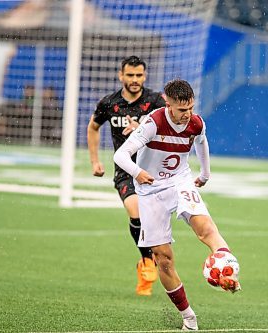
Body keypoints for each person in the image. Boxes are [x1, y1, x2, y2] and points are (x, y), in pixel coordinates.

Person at [113, 79, 240, 331]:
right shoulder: (153, 123)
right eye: (182, 110)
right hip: (149, 191)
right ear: (167, 103)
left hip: (180, 182)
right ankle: (189, 317)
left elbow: (202, 142)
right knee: (164, 258)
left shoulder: (196, 123)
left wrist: (204, 174)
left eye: (191, 108)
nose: (187, 114)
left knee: (206, 230)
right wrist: (138, 172)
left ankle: (229, 269)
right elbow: (120, 155)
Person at [87, 56, 166, 296]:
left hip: (153, 171)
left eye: (139, 75)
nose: (134, 80)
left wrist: (142, 130)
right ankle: (147, 262)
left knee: (158, 228)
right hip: (126, 171)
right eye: (130, 75)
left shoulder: (156, 101)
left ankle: (145, 265)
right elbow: (93, 127)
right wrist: (95, 161)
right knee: (136, 213)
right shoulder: (109, 103)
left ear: (145, 76)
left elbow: (169, 127)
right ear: (121, 75)